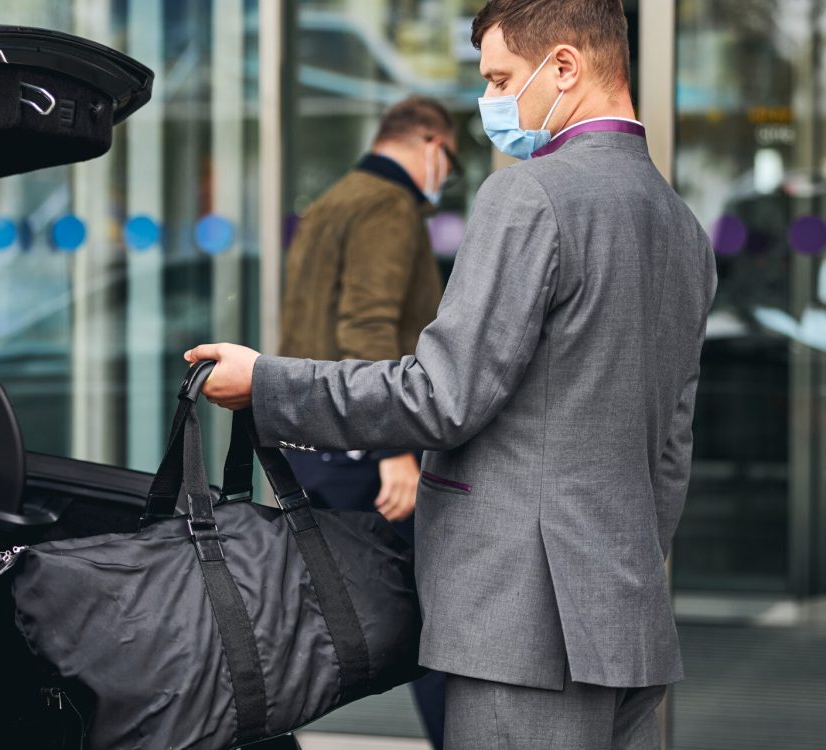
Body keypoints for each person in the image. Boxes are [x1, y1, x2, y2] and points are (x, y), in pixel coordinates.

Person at [185, 0, 717, 747]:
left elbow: (443, 393)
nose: (491, 102)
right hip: (626, 622)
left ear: (564, 66)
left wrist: (268, 384)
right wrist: (614, 571)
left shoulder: (527, 194)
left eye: (501, 78)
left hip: (520, 625)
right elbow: (672, 446)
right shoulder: (681, 227)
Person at [279, 95, 457, 747]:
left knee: (306, 619)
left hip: (311, 445)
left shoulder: (329, 203)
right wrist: (394, 449)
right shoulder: (390, 207)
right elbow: (368, 326)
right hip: (366, 453)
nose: (447, 178)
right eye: (452, 161)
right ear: (431, 143)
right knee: (430, 621)